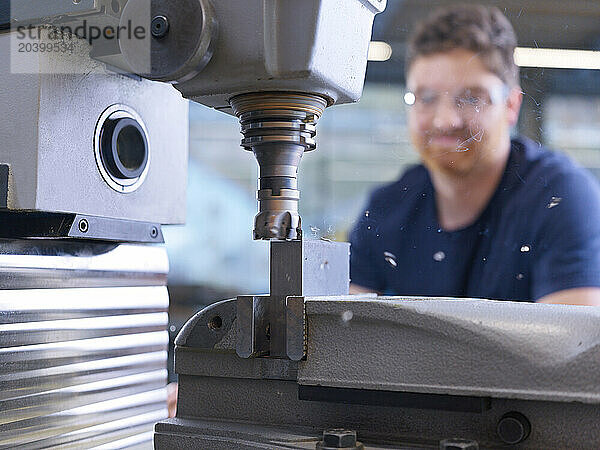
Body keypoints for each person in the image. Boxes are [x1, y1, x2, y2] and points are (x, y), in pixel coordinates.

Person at [349, 4, 600, 306]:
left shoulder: (559, 197)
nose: (446, 120)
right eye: (426, 98)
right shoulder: (387, 209)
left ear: (511, 105)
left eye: (471, 98)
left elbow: (570, 348)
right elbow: (338, 336)